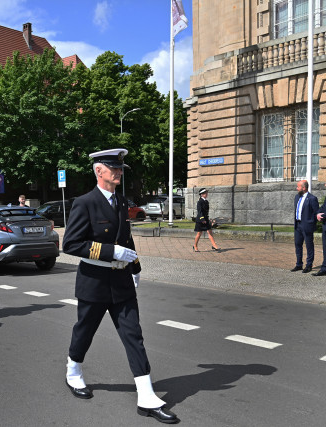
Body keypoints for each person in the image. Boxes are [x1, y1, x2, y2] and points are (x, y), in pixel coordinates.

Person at [62, 148, 179, 424]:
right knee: (85, 331)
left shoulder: (122, 201)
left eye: (120, 169)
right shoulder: (85, 202)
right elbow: (70, 244)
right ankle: (73, 370)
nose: (118, 172)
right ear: (98, 170)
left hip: (122, 281)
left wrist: (135, 267)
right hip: (95, 282)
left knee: (133, 336)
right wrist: (109, 252)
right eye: (112, 168)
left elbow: (126, 240)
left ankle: (146, 396)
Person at [291, 180, 319, 273]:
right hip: (298, 225)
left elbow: (316, 213)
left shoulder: (312, 198)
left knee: (309, 246)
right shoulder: (297, 197)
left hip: (307, 226)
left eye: (298, 187)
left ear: (304, 188)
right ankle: (299, 264)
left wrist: (311, 223)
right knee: (298, 245)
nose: (296, 188)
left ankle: (309, 265)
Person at [193, 188, 220, 252]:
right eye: (205, 193)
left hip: (206, 219)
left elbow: (206, 212)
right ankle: (195, 246)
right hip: (200, 219)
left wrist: (208, 219)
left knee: (210, 232)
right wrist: (202, 219)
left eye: (206, 193)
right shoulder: (199, 202)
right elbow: (199, 211)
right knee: (199, 233)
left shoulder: (206, 201)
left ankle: (214, 245)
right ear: (201, 194)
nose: (206, 194)